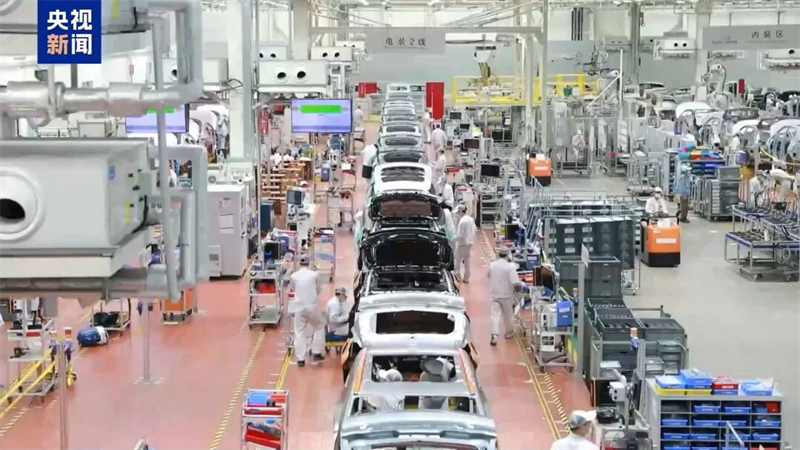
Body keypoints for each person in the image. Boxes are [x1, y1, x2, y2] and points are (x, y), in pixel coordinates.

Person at [288, 254, 325, 367]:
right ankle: (316, 352)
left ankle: (300, 359)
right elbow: (318, 289)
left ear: (299, 263)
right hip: (312, 306)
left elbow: (293, 288)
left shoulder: (294, 276)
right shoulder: (314, 275)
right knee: (319, 327)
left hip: (299, 308)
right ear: (309, 263)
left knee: (299, 332)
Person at [488, 248, 523, 346]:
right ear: (508, 255)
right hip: (507, 296)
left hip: (495, 294)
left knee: (494, 316)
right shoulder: (510, 267)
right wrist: (518, 296)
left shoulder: (492, 265)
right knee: (508, 316)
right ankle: (509, 332)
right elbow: (516, 284)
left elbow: (488, 275)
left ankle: (494, 336)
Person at [454, 204, 477, 283]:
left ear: (460, 211)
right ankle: (466, 277)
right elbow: (474, 230)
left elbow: (461, 236)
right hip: (469, 243)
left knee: (457, 259)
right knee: (467, 261)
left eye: (457, 212)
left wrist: (452, 238)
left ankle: (457, 274)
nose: (457, 215)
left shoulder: (462, 222)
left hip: (462, 244)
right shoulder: (471, 219)